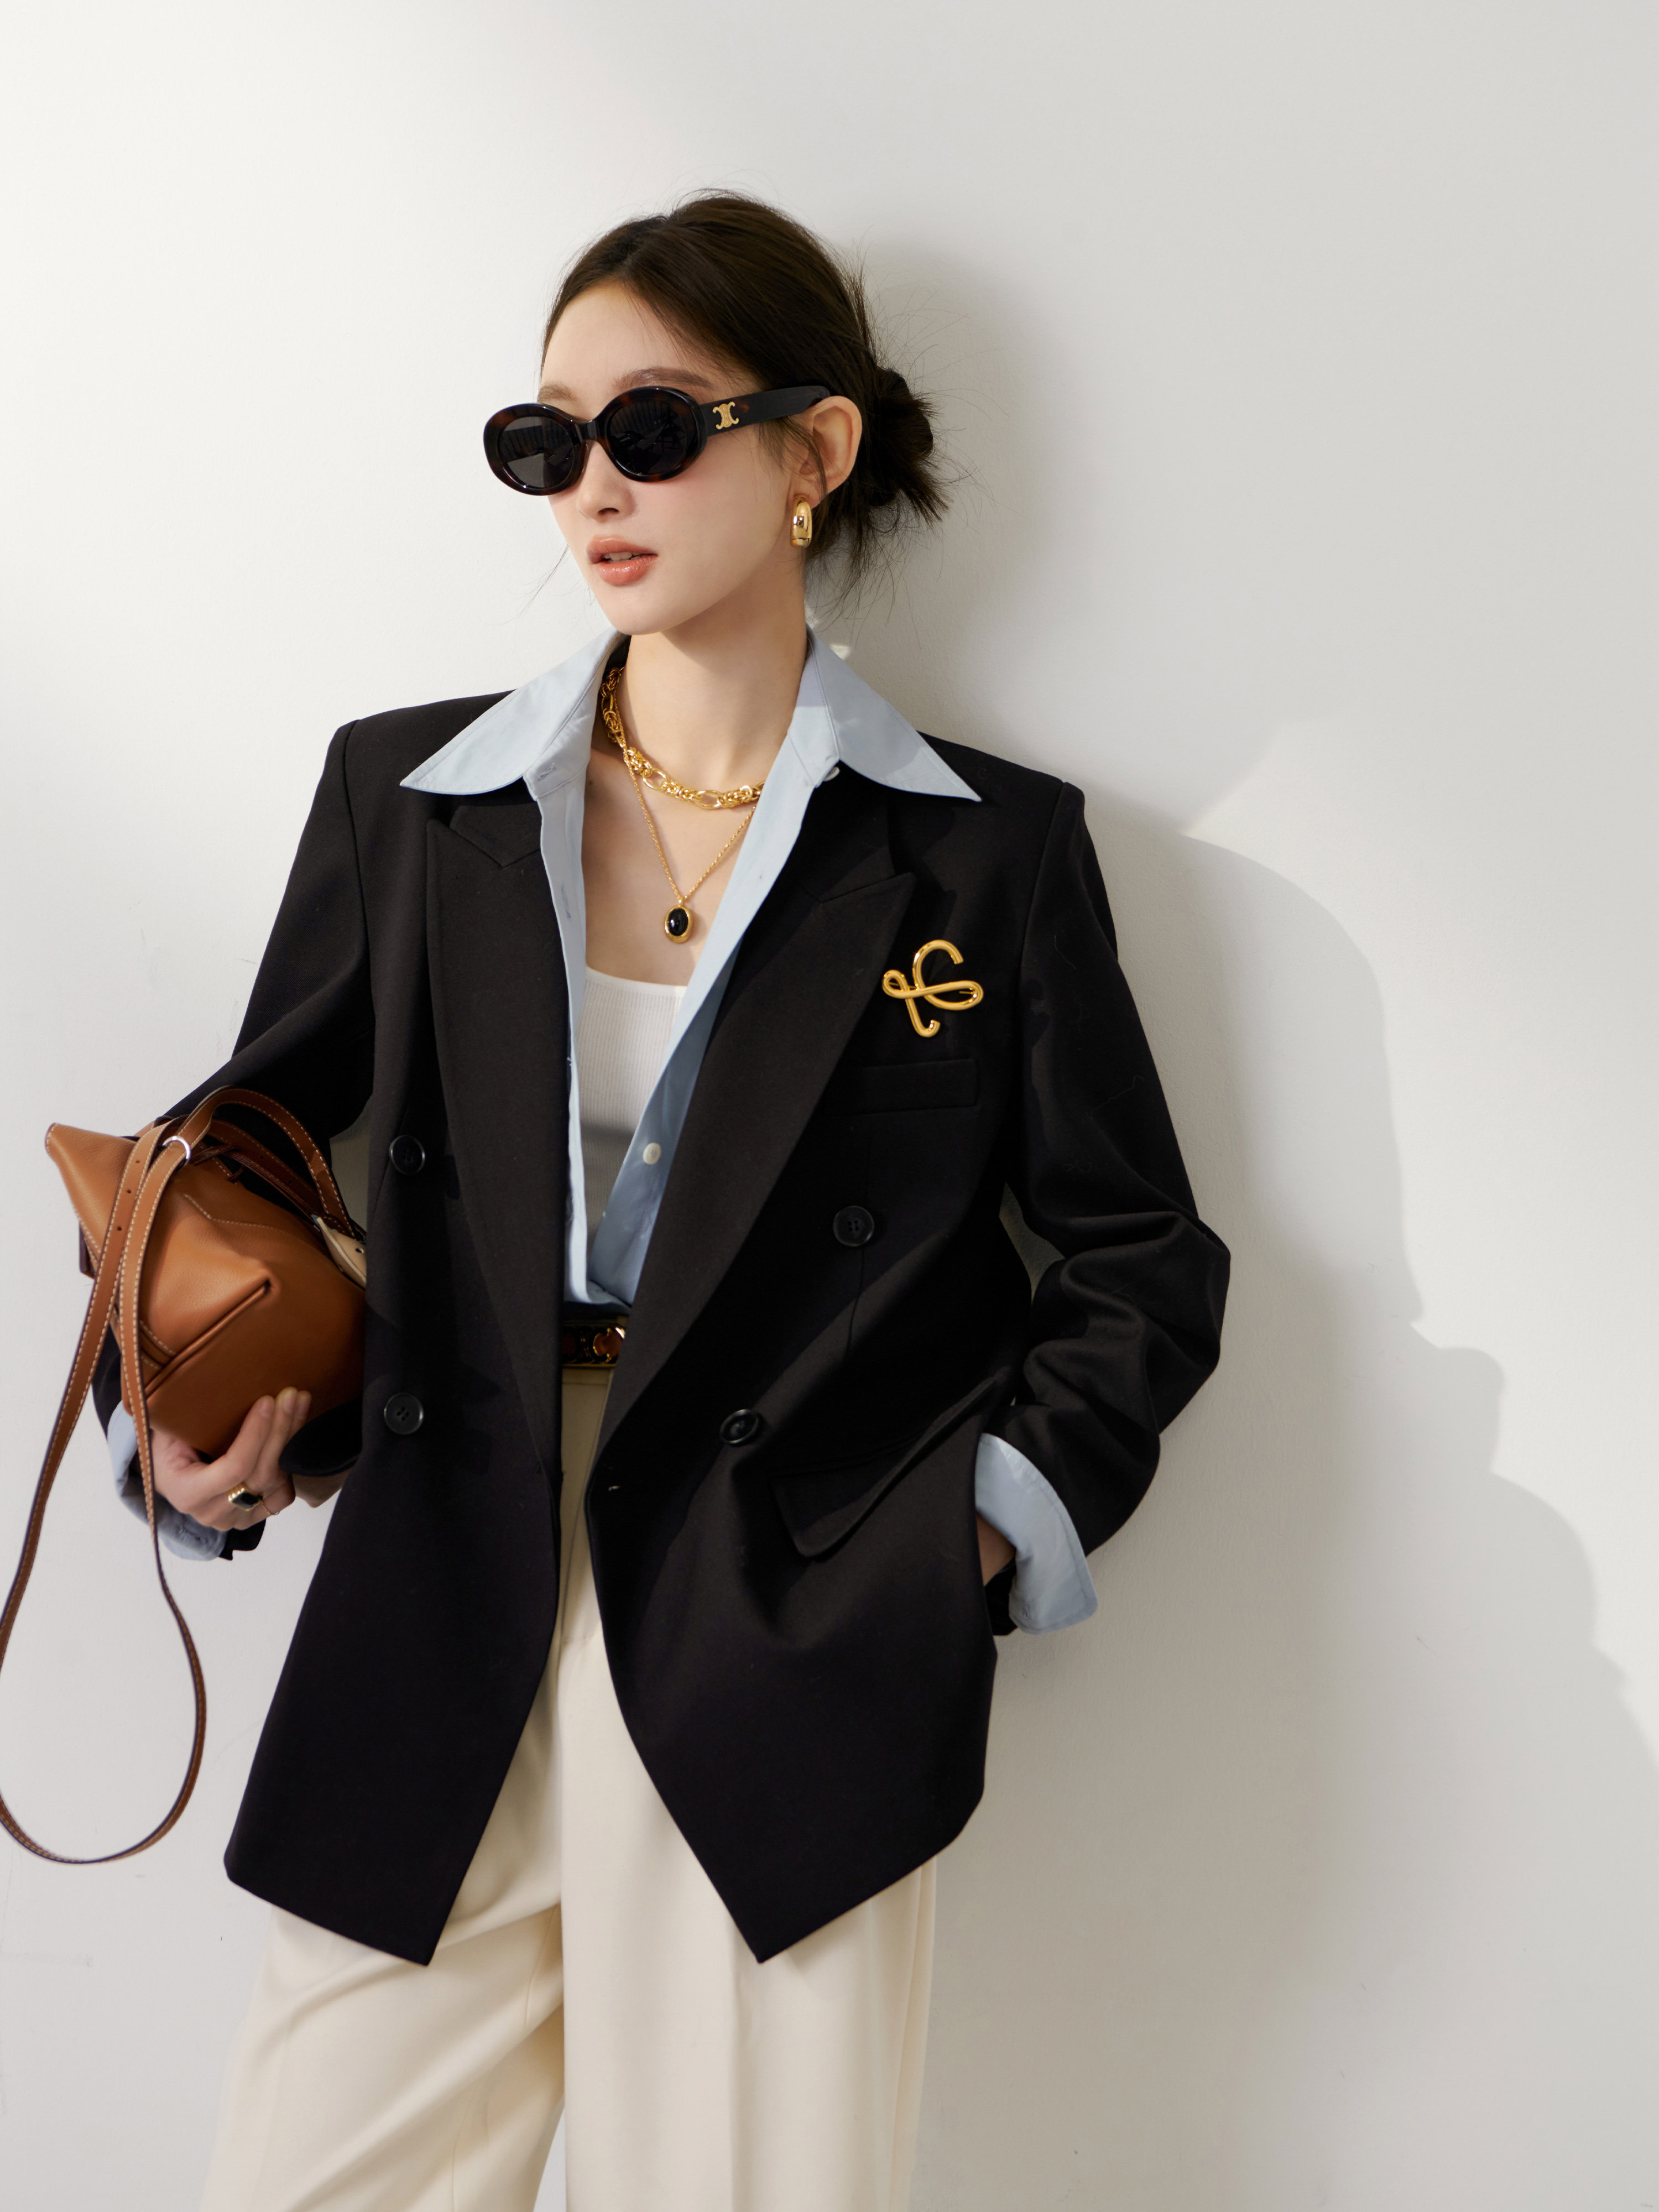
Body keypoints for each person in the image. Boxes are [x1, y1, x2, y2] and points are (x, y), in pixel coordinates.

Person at [95, 192, 1229, 2212]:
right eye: (548, 442)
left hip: (783, 1605)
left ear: (815, 452)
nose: (593, 490)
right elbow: (237, 1150)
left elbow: (1138, 1255)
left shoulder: (984, 857)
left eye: (652, 427)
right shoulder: (413, 802)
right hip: (445, 1568)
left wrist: (966, 1542)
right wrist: (183, 1435)